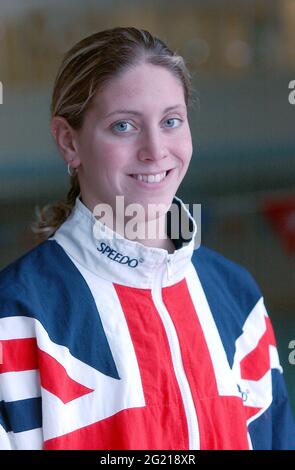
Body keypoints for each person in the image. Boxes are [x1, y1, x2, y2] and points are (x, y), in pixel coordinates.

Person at [0, 27, 294, 451]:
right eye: (124, 126)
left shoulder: (236, 297)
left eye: (171, 121)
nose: (155, 150)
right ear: (69, 142)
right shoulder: (16, 315)